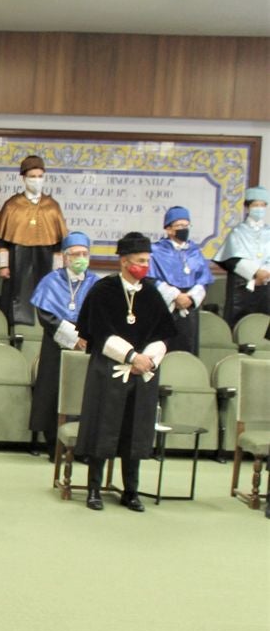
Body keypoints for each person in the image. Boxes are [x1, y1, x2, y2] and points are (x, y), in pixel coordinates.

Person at [73, 232, 176, 512]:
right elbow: (100, 331)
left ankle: (131, 490)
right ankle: (94, 488)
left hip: (143, 373)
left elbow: (164, 334)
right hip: (109, 369)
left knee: (136, 428)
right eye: (140, 261)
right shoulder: (103, 291)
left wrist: (148, 359)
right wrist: (130, 356)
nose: (145, 266)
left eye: (147, 261)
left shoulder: (152, 294)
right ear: (124, 261)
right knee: (103, 427)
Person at [28, 232, 99, 455]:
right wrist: (73, 338)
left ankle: (81, 447)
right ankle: (54, 445)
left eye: (84, 254)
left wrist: (85, 337)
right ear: (66, 257)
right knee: (54, 390)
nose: (80, 258)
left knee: (83, 392)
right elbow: (45, 316)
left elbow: (101, 314)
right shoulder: (51, 281)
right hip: (56, 343)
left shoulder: (96, 283)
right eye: (76, 254)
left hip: (87, 344)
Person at [0, 155, 69, 329]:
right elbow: (3, 240)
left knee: (45, 293)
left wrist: (57, 269)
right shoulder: (12, 205)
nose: (37, 180)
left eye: (40, 176)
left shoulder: (52, 206)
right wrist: (3, 266)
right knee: (17, 294)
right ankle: (15, 330)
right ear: (24, 178)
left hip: (45, 257)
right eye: (32, 177)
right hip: (18, 257)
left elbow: (58, 243)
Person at [148, 206, 213, 354]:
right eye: (179, 226)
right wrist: (175, 296)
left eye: (186, 225)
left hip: (189, 309)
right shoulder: (156, 251)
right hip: (165, 307)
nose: (184, 229)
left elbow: (203, 280)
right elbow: (150, 279)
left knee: (186, 349)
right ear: (169, 229)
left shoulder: (194, 251)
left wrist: (190, 297)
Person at [214, 186, 270, 325]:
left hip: (267, 285)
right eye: (255, 205)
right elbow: (231, 259)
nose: (259, 208)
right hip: (242, 287)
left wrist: (265, 273)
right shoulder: (238, 232)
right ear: (247, 207)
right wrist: (255, 272)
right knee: (240, 325)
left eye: (262, 205)